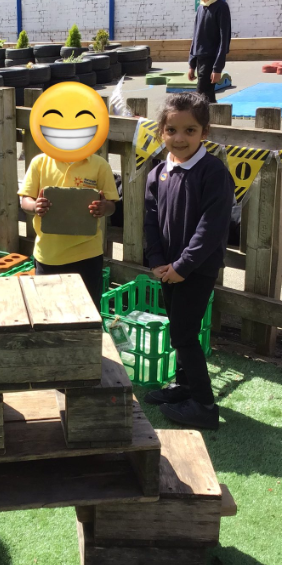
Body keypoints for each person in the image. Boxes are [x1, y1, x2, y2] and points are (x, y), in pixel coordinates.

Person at [143, 92, 234, 430]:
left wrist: (183, 267)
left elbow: (211, 228)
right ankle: (184, 386)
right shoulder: (158, 173)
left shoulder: (213, 172)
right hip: (168, 270)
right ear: (161, 132)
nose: (179, 138)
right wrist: (157, 261)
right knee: (178, 328)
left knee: (183, 334)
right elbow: (151, 221)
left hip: (196, 270)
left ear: (204, 132)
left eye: (190, 130)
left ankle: (204, 406)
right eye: (171, 130)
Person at [18, 151, 119, 306]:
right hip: (48, 255)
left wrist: (104, 207)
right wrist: (35, 206)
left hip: (87, 255)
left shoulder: (100, 165)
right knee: (49, 311)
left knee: (87, 312)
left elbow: (112, 206)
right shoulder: (39, 162)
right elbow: (25, 200)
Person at [188, 0, 232, 104]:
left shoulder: (221, 6)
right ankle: (214, 113)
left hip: (211, 58)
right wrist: (192, 64)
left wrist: (217, 68)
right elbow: (196, 37)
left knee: (202, 96)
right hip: (200, 59)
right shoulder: (200, 8)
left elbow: (224, 40)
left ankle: (210, 114)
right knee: (206, 97)